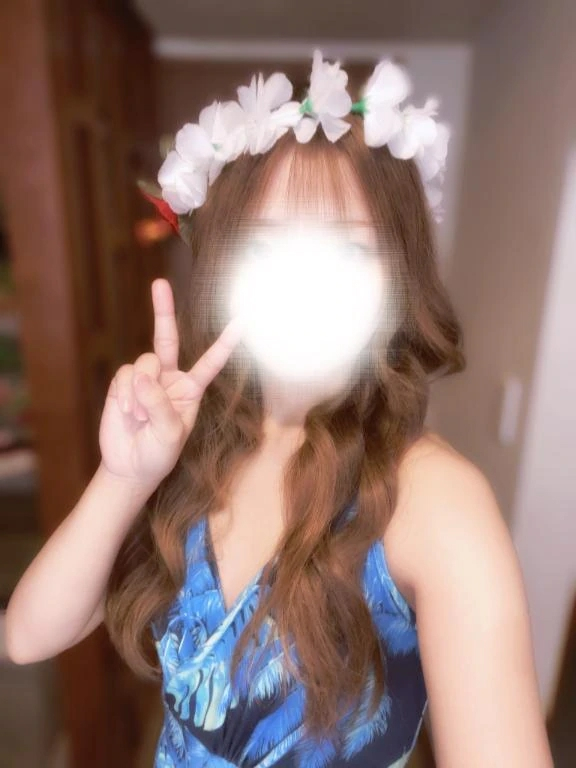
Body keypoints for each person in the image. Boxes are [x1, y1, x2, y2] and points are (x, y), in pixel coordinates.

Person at [5, 52, 553, 768]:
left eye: (345, 253)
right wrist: (124, 477)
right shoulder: (193, 448)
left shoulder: (436, 501)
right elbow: (27, 636)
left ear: (397, 276)